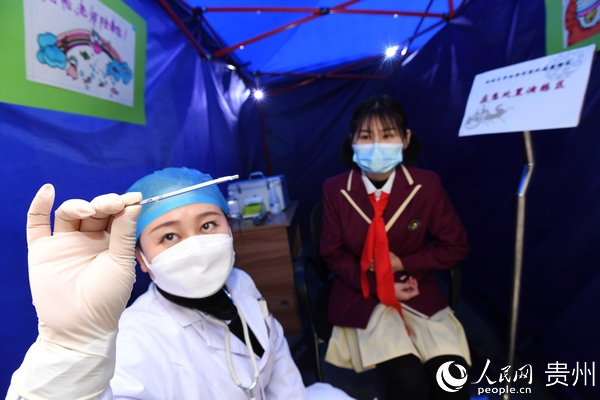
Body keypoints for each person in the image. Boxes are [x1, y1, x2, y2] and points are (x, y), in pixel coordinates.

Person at [8, 167, 354, 400]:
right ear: (141, 259)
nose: (197, 246)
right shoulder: (134, 340)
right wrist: (72, 352)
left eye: (207, 225)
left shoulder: (241, 283)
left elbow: (278, 365)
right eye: (169, 236)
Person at [320, 97, 471, 399]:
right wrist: (380, 286)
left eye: (388, 134)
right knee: (409, 382)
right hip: (362, 292)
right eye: (366, 136)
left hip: (415, 289)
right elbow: (332, 254)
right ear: (352, 142)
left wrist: (402, 263)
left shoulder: (426, 185)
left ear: (405, 139)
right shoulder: (335, 189)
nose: (377, 144)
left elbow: (455, 246)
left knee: (453, 382)